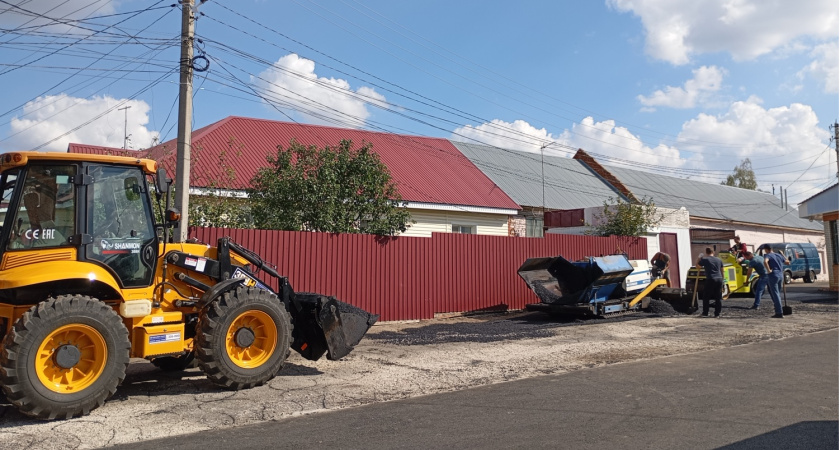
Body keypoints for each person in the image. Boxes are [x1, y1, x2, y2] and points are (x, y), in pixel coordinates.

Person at [762, 244, 790, 318]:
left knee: (775, 294)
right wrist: (783, 254)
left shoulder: (767, 255)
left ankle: (779, 312)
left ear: (766, 249)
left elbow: (765, 262)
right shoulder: (778, 255)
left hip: (773, 275)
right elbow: (788, 262)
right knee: (777, 293)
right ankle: (778, 309)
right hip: (780, 275)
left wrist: (768, 270)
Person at [697, 247, 724, 318]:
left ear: (706, 252)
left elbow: (698, 267)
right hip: (719, 278)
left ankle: (705, 313)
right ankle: (717, 314)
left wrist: (699, 258)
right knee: (718, 297)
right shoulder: (719, 260)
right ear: (713, 252)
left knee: (706, 296)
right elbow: (722, 270)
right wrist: (723, 279)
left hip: (711, 279)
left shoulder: (705, 259)